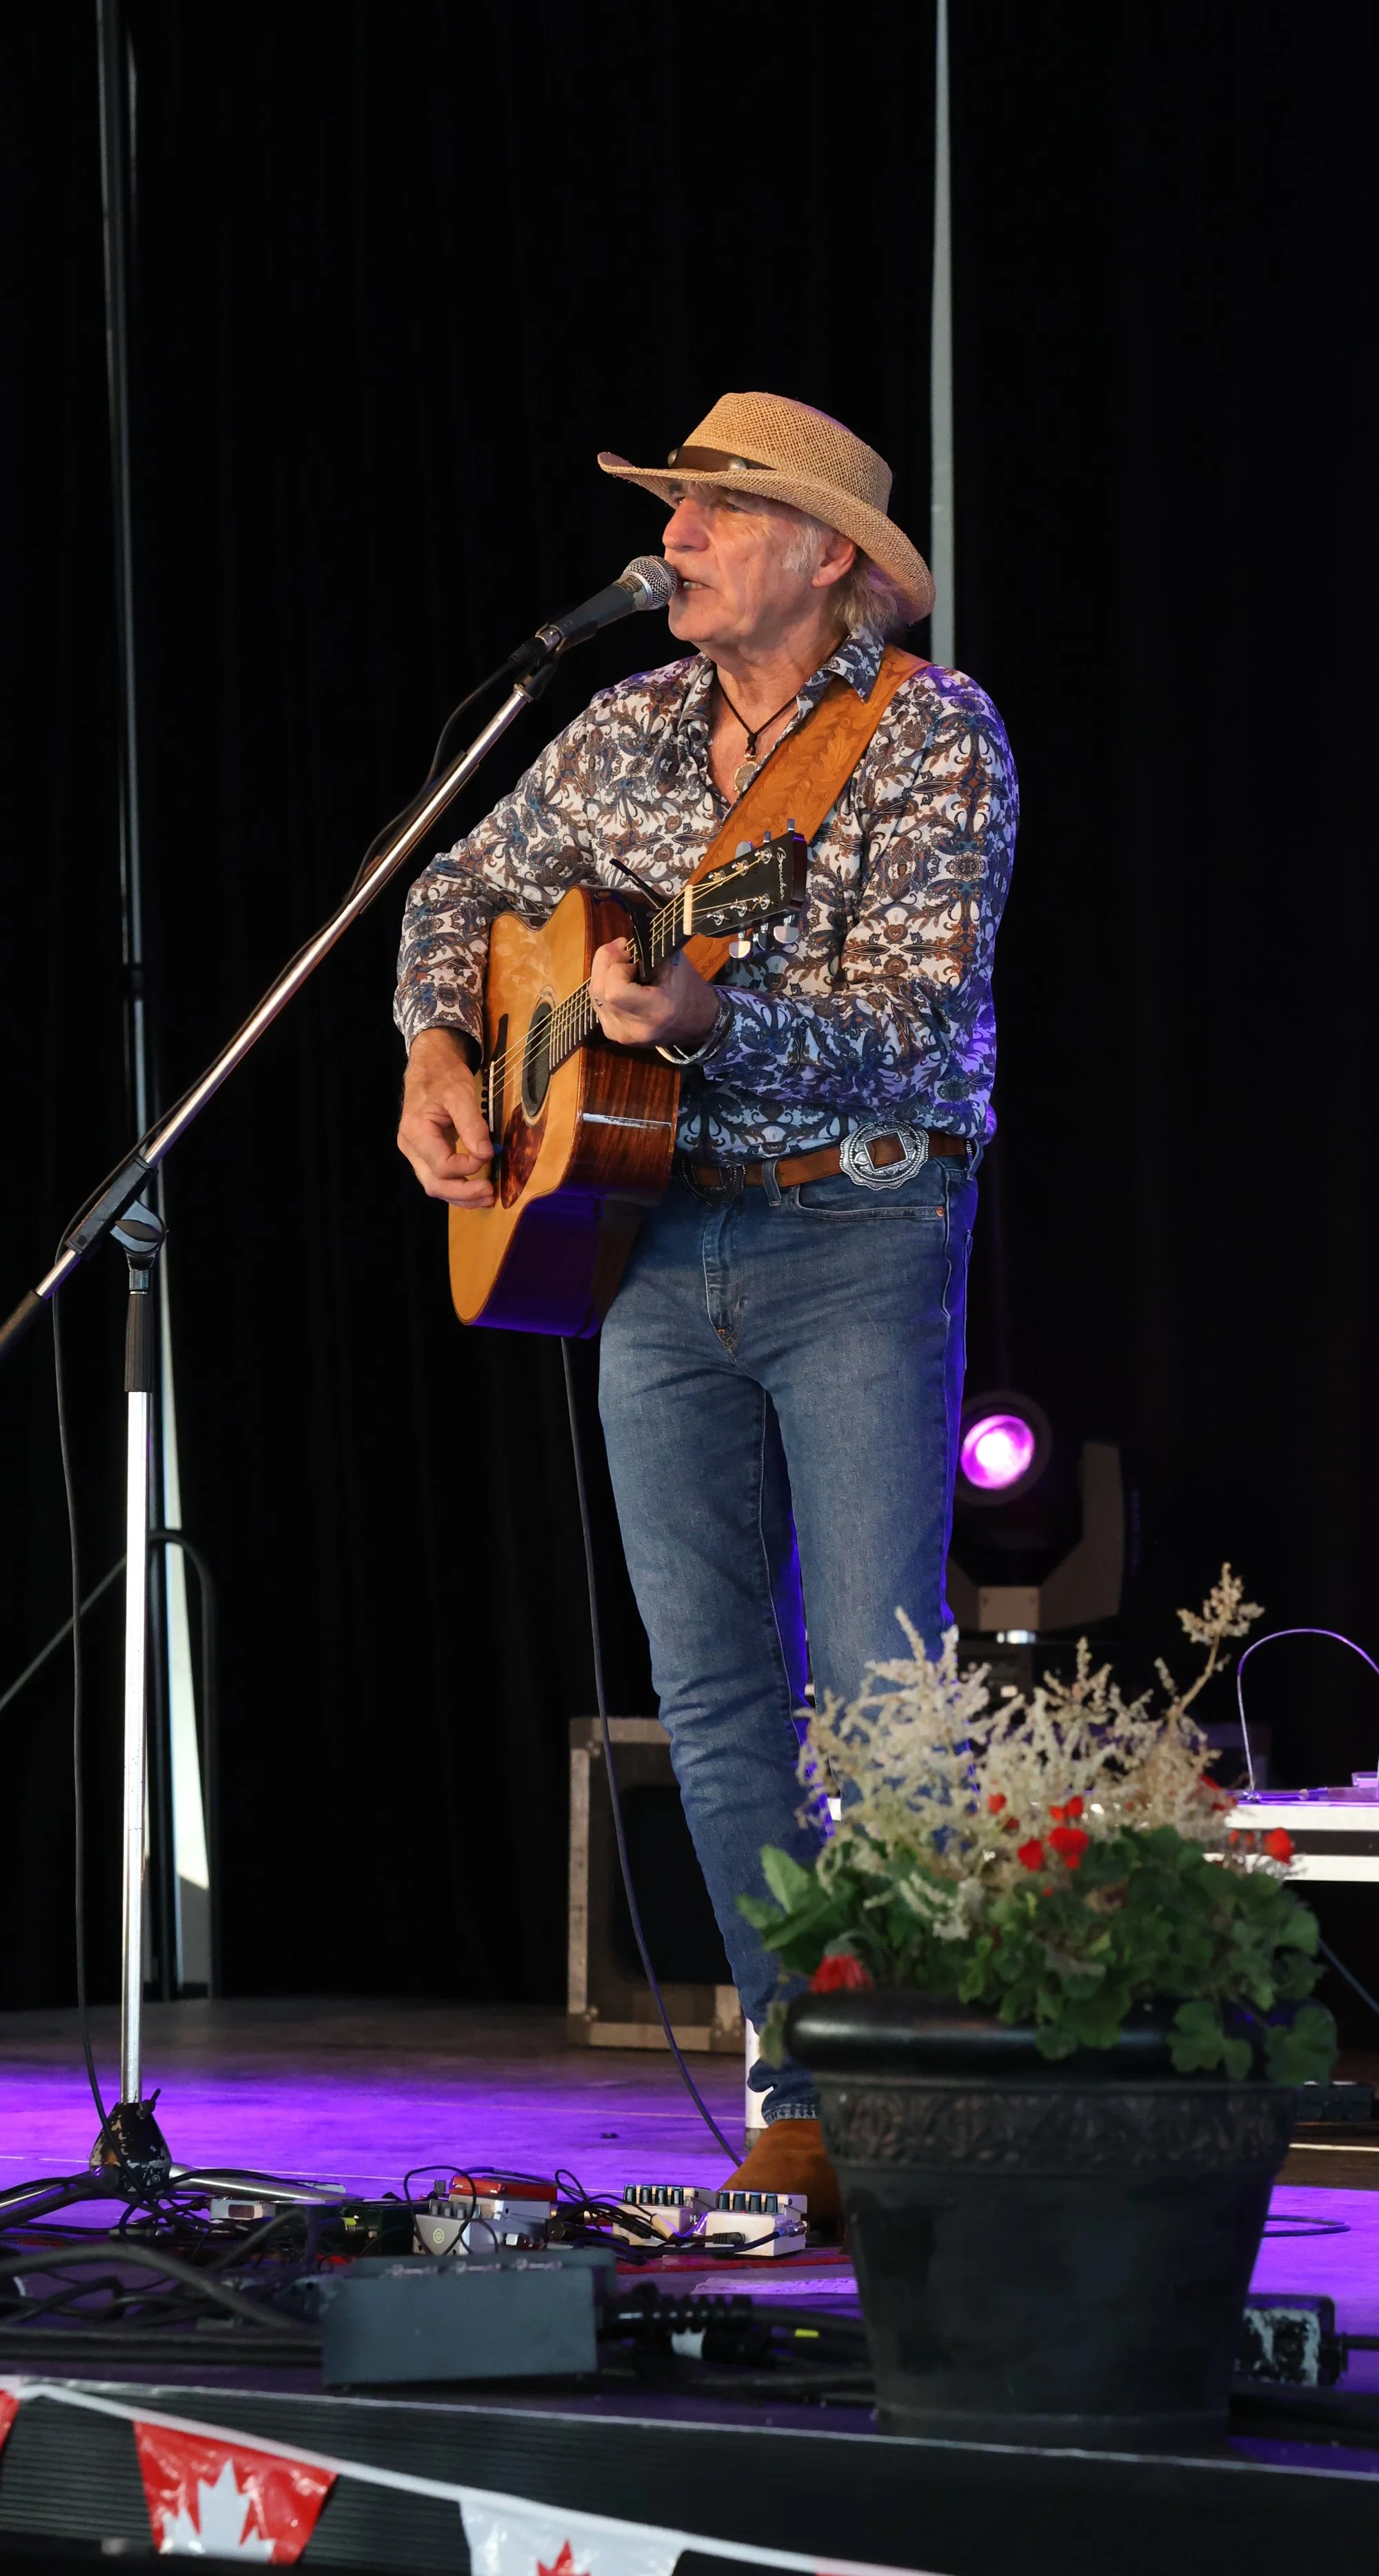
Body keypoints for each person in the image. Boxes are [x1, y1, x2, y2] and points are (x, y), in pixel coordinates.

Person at [394, 392, 1017, 2219]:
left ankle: (921, 2076)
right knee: (713, 1688)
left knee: (878, 1682)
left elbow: (919, 1025)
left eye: (716, 512)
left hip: (860, 1232)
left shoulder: (932, 736)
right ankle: (804, 2075)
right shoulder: (625, 727)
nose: (673, 535)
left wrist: (708, 1017)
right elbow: (454, 886)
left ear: (827, 558)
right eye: (674, 505)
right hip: (646, 1237)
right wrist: (438, 1048)